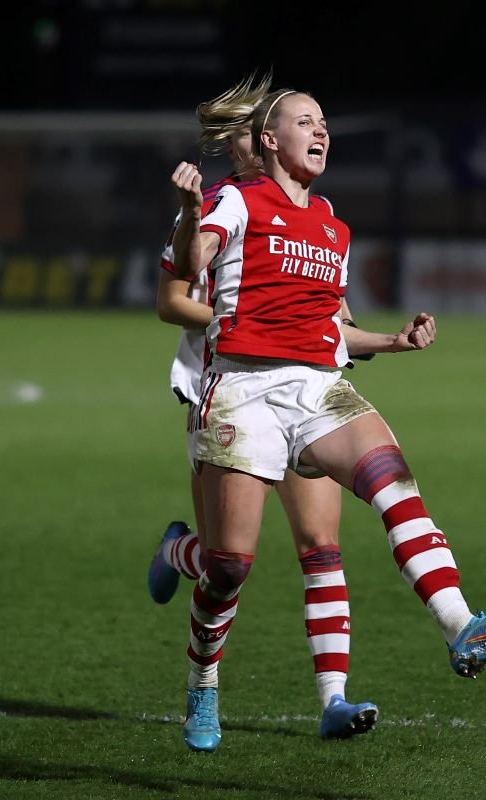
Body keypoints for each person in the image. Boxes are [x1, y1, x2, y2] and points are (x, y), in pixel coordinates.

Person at [166, 83, 486, 753]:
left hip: (318, 387)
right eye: (305, 121)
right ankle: (202, 681)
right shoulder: (233, 200)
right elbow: (188, 267)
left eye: (325, 123)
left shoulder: (332, 225)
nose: (322, 131)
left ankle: (462, 625)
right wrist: (193, 211)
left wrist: (393, 342)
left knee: (391, 480)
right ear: (272, 141)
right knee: (228, 566)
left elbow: (331, 329)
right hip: (243, 392)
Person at [147, 73, 378, 745]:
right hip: (224, 385)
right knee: (227, 563)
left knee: (321, 544)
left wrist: (346, 327)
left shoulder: (312, 211)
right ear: (249, 142)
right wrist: (243, 321)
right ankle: (188, 603)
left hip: (301, 389)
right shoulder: (218, 203)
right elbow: (170, 301)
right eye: (256, 130)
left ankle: (333, 699)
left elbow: (329, 309)